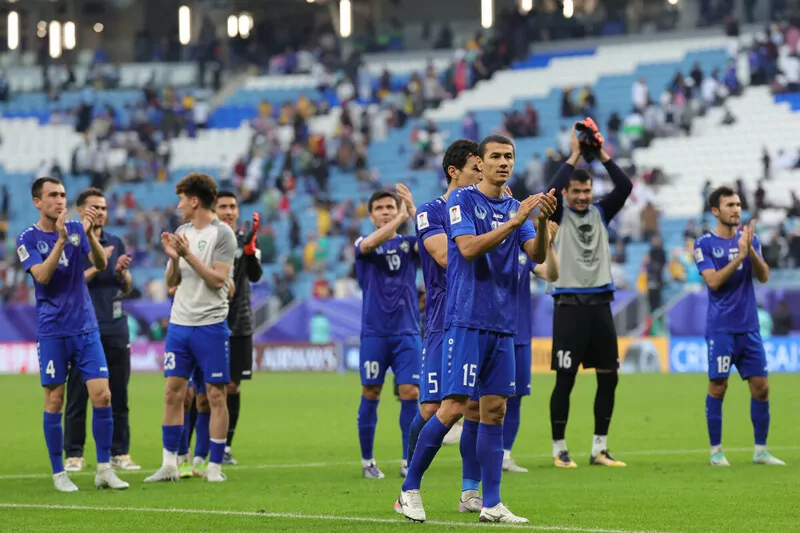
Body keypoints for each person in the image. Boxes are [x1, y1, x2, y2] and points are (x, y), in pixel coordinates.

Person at [397, 135, 557, 524]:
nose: (504, 163)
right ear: (480, 164)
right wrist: (518, 221)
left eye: (509, 157)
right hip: (465, 319)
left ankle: (491, 503)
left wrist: (541, 224)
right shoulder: (461, 201)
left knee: (495, 411)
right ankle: (409, 490)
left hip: (503, 323)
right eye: (496, 157)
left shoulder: (516, 206)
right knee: (450, 408)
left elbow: (536, 256)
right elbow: (465, 249)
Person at [16, 177, 128, 492]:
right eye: (53, 195)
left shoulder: (78, 229)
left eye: (63, 195)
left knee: (103, 394)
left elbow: (102, 262)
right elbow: (42, 276)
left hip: (86, 326)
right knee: (55, 398)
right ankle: (59, 472)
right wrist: (63, 241)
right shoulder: (27, 237)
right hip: (53, 330)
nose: (60, 200)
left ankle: (104, 469)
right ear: (38, 201)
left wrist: (90, 234)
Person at [402, 139, 485, 513]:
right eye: (475, 168)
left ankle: (470, 493)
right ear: (454, 172)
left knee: (477, 409)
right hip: (443, 318)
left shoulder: (486, 208)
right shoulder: (431, 211)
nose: (482, 174)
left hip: (481, 317)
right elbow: (442, 255)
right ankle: (408, 484)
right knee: (433, 408)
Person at [547, 125, 632, 468]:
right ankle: (558, 449)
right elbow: (548, 189)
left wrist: (601, 155)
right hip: (569, 305)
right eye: (576, 191)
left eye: (586, 190)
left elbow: (625, 186)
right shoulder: (557, 213)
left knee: (608, 377)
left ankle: (599, 448)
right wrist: (575, 155)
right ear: (566, 193)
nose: (582, 196)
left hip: (600, 306)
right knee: (565, 380)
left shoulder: (600, 212)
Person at [144, 172, 237, 483]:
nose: (179, 205)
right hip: (180, 325)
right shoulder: (181, 231)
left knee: (215, 395)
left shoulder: (223, 234)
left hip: (211, 324)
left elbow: (218, 279)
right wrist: (173, 259)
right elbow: (172, 282)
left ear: (195, 201)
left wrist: (188, 255)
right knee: (172, 393)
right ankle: (169, 464)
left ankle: (213, 466)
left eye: (182, 199)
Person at [694, 187, 784, 466]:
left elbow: (765, 276)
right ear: (715, 211)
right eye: (729, 205)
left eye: (738, 204)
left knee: (761, 387)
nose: (736, 209)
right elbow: (713, 281)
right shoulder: (704, 244)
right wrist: (738, 258)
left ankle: (760, 451)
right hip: (721, 328)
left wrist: (751, 253)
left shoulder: (750, 239)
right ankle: (716, 451)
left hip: (749, 328)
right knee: (718, 386)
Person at [64, 187, 139, 473]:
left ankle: (120, 453)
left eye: (104, 208)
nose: (101, 213)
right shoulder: (71, 243)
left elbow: (127, 288)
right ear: (81, 210)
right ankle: (74, 453)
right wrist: (100, 264)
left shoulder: (115, 241)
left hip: (115, 328)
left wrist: (122, 273)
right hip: (82, 328)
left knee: (118, 395)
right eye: (95, 207)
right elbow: (69, 285)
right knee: (77, 395)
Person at [355, 186, 421, 479]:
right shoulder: (363, 243)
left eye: (390, 207)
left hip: (407, 332)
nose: (385, 212)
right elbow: (369, 244)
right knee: (371, 391)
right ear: (371, 215)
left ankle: (408, 459)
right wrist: (402, 218)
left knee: (411, 392)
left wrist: (414, 212)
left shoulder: (410, 244)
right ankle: (368, 461)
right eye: (379, 208)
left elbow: (434, 244)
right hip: (374, 333)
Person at [504, 220, 560, 473]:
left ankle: (504, 455)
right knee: (482, 399)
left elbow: (552, 274)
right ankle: (479, 455)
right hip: (489, 331)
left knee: (515, 398)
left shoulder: (524, 253)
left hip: (520, 334)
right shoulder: (481, 244)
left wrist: (549, 243)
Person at [216, 190, 263, 464]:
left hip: (240, 323)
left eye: (233, 206)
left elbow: (256, 275)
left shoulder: (246, 238)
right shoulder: (208, 238)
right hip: (211, 319)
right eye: (223, 206)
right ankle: (200, 446)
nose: (229, 211)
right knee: (207, 387)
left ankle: (226, 446)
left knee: (233, 386)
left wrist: (249, 251)